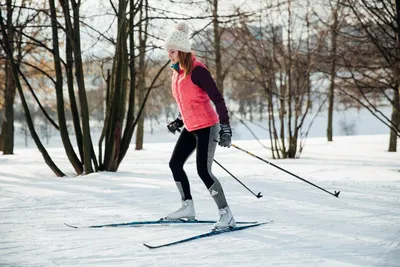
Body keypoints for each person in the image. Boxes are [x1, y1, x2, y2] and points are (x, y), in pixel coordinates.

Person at [163, 21, 235, 230]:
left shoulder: (198, 70)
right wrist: (179, 119)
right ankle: (187, 207)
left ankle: (226, 214)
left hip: (207, 126)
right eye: (168, 51)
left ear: (183, 50)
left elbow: (218, 99)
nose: (170, 55)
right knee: (175, 163)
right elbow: (187, 101)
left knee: (203, 170)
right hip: (191, 126)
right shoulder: (177, 73)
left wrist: (225, 128)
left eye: (173, 51)